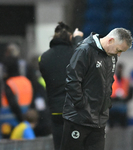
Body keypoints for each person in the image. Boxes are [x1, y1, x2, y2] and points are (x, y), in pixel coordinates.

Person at [60, 28, 133, 150]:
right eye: (119, 50)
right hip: (78, 119)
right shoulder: (85, 50)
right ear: (110, 40)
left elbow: (109, 83)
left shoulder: (112, 56)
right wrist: (82, 106)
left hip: (98, 122)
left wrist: (105, 107)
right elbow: (72, 81)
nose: (119, 54)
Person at [39, 22, 83, 150]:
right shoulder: (74, 53)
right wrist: (78, 39)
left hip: (55, 111)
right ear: (70, 38)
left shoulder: (44, 57)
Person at [0, 56, 33, 138]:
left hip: (10, 121)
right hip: (27, 119)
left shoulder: (9, 83)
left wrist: (21, 119)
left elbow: (12, 103)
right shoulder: (26, 81)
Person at [109, 63, 133, 128]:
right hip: (113, 104)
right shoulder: (111, 80)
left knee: (123, 125)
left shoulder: (125, 80)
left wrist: (125, 99)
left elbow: (130, 93)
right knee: (112, 125)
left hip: (122, 105)